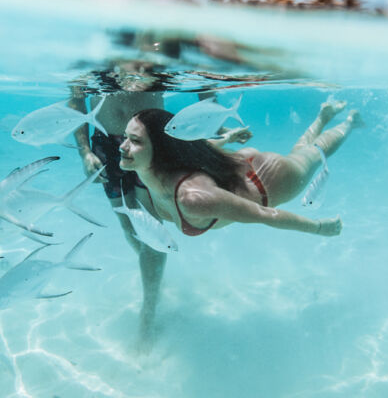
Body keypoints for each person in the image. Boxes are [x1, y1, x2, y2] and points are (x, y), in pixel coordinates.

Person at [69, 61, 250, 349]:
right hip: (105, 143)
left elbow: (201, 80)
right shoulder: (93, 62)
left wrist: (215, 123)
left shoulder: (152, 59)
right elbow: (76, 100)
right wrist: (84, 151)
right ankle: (152, 276)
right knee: (129, 228)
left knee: (152, 232)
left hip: (152, 144)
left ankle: (148, 312)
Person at [119, 99, 363, 239]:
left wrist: (319, 228)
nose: (122, 146)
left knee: (314, 154)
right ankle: (323, 116)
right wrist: (227, 138)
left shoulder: (192, 199)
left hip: (268, 180)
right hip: (238, 166)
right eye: (126, 137)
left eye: (135, 140)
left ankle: (350, 122)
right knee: (300, 154)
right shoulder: (154, 172)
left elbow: (265, 214)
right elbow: (191, 149)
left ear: (160, 150)